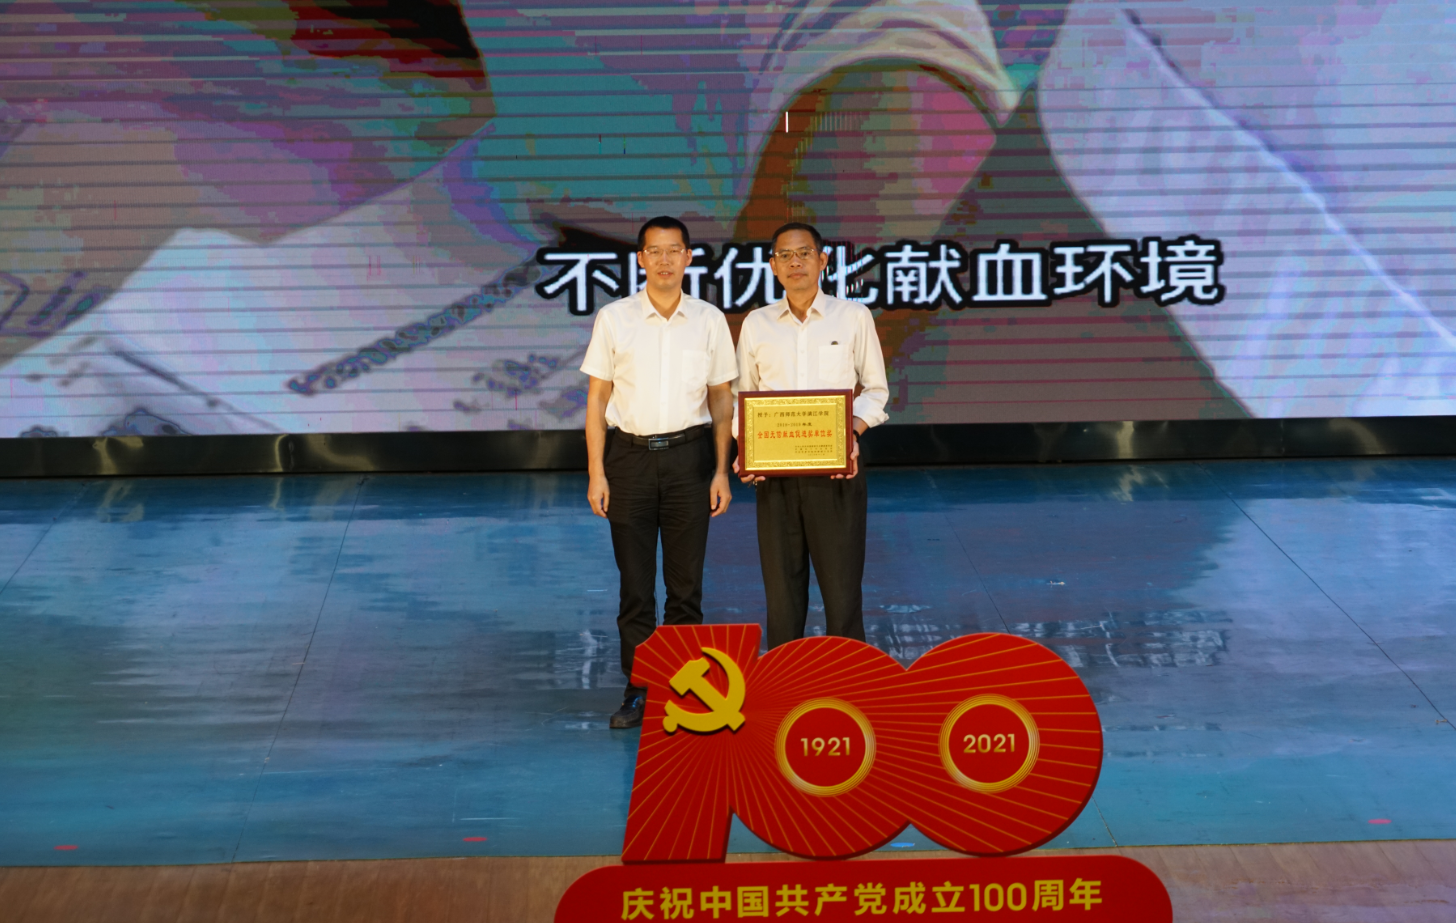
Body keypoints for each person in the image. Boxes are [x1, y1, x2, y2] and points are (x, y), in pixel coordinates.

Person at [581, 216, 738, 728]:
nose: (665, 260)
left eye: (674, 250)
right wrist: (597, 472)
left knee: (686, 587)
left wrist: (721, 470)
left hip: (690, 459)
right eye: (655, 251)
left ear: (689, 257)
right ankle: (639, 687)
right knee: (636, 587)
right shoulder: (615, 318)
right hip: (627, 459)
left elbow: (722, 398)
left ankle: (684, 689)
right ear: (641, 259)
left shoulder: (709, 319)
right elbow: (597, 398)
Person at [734, 222, 889, 648]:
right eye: (784, 255)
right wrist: (746, 447)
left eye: (804, 253)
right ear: (773, 266)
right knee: (782, 596)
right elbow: (741, 397)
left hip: (837, 471)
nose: (795, 262)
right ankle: (786, 681)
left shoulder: (853, 317)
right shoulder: (757, 323)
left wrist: (850, 434)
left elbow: (876, 390)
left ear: (822, 260)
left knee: (842, 593)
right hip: (775, 475)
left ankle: (850, 679)